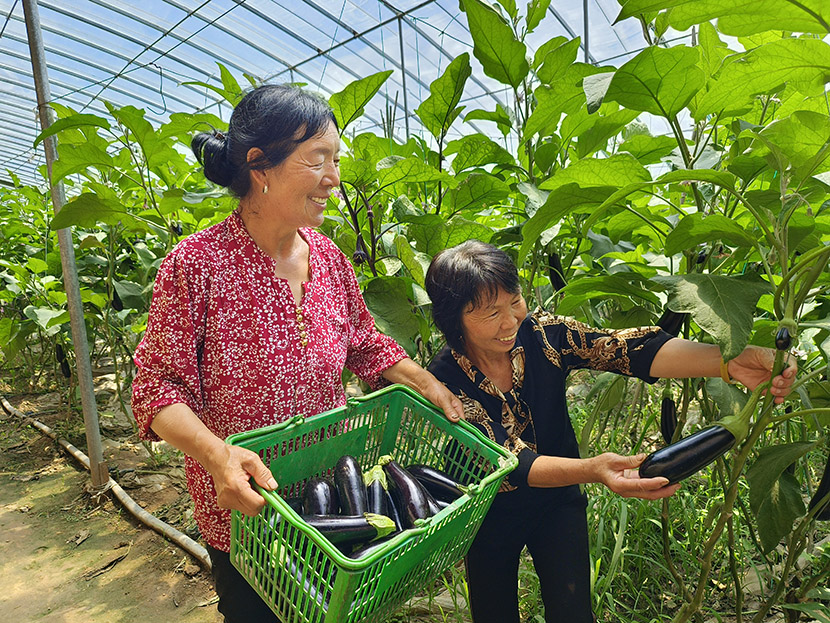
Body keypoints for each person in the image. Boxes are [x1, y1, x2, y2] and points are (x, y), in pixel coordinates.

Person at [130, 84, 463, 623]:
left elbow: (361, 339)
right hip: (249, 509)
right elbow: (155, 389)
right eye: (318, 160)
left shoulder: (328, 257)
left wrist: (421, 379)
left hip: (333, 494)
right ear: (260, 166)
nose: (334, 177)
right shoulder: (196, 265)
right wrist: (219, 455)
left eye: (336, 159)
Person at [423, 240, 797, 623]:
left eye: (514, 301)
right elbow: (508, 459)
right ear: (455, 321)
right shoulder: (444, 380)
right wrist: (594, 469)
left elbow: (627, 350)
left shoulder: (544, 335)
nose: (510, 322)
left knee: (573, 612)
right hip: (486, 512)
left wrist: (731, 362)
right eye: (490, 314)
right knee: (494, 614)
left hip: (557, 503)